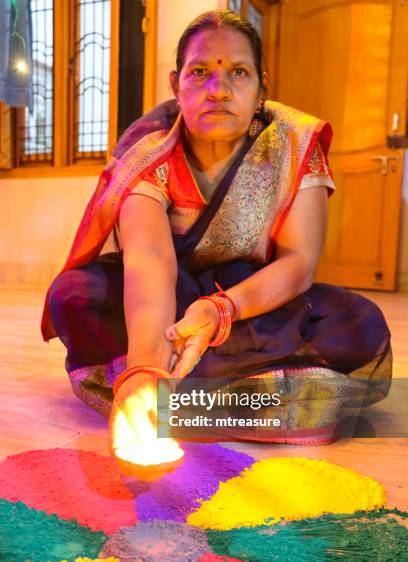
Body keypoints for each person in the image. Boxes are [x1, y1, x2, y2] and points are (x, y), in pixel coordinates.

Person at [42, 10, 391, 467]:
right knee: (74, 296)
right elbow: (148, 258)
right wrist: (145, 364)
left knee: (357, 325)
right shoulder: (149, 149)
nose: (219, 90)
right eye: (200, 73)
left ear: (262, 86)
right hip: (169, 305)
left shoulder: (292, 142)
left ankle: (185, 394)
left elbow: (299, 263)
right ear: (176, 83)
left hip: (252, 303)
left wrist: (220, 310)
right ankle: (203, 391)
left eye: (238, 73)